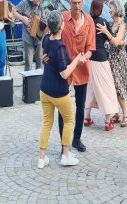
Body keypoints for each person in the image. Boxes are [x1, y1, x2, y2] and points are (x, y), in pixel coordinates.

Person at [38, 11, 84, 169]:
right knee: (69, 120)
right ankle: (65, 155)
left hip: (44, 89)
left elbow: (45, 57)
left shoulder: (45, 40)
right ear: (62, 26)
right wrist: (77, 59)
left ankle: (42, 158)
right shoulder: (60, 47)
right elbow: (64, 73)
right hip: (59, 91)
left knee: (46, 123)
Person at [58, 0, 96, 152]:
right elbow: (52, 38)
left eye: (80, 2)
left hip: (81, 68)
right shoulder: (62, 19)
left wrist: (84, 57)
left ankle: (77, 139)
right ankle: (63, 143)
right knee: (62, 107)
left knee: (81, 106)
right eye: (74, 3)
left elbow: (91, 47)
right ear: (69, 2)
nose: (77, 6)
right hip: (64, 68)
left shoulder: (88, 21)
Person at [96, 0, 127, 127]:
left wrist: (107, 33)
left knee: (118, 90)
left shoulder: (121, 25)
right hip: (111, 60)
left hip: (118, 61)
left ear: (117, 9)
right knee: (111, 89)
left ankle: (125, 114)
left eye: (110, 7)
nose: (109, 10)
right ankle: (116, 113)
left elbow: (117, 41)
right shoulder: (112, 24)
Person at [84, 0, 119, 131]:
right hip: (100, 58)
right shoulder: (103, 23)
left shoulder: (87, 21)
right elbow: (113, 41)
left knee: (91, 88)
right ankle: (108, 121)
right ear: (101, 8)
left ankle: (86, 117)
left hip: (88, 58)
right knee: (107, 89)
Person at [14, 0, 46, 71]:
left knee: (39, 61)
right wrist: (22, 18)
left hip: (38, 39)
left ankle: (38, 83)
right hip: (28, 39)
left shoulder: (40, 5)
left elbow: (44, 20)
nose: (39, 0)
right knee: (28, 63)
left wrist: (41, 24)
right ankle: (27, 83)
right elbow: (13, 11)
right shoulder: (25, 3)